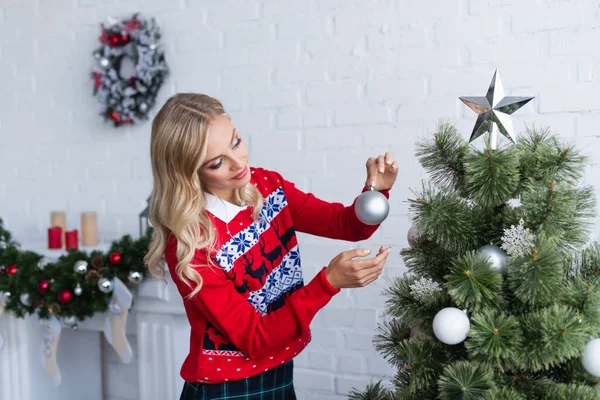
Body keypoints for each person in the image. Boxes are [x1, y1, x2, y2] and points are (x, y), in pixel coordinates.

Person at [144, 93, 399, 400]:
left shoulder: (268, 187)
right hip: (225, 389)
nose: (239, 163)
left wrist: (376, 191)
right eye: (217, 162)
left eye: (236, 142)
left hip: (278, 372)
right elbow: (255, 338)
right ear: (189, 173)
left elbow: (346, 224)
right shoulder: (190, 244)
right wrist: (328, 282)